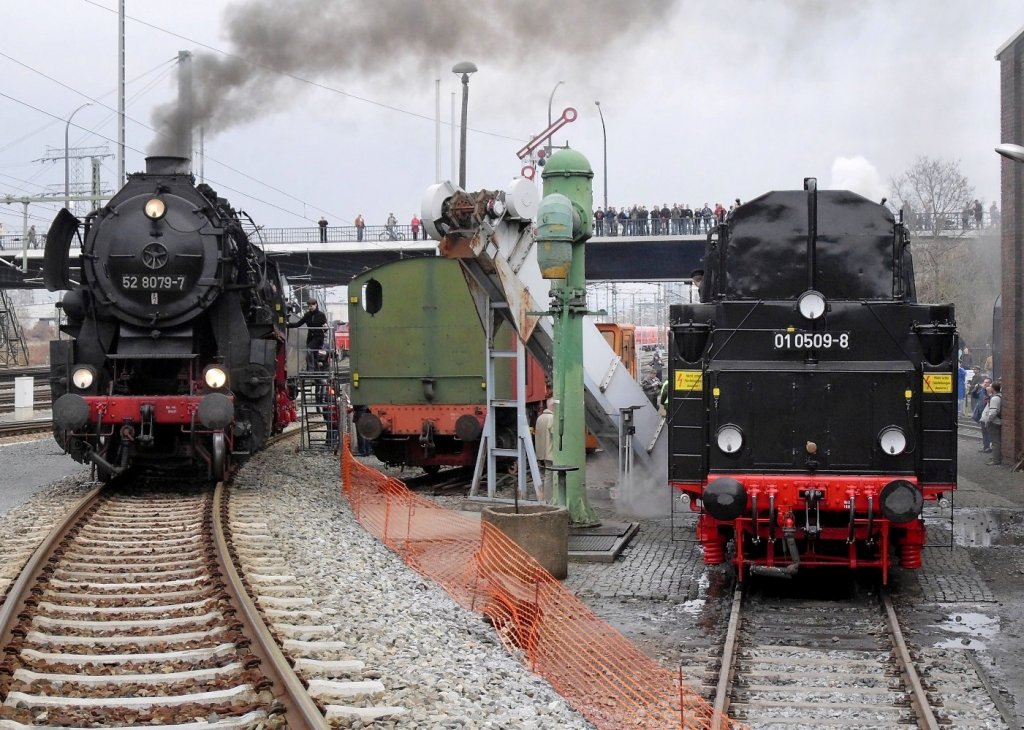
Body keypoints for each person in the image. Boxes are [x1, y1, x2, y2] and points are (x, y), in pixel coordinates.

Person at [288, 299, 329, 371]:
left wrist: (323, 329)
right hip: (310, 337)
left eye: (312, 306)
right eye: (309, 306)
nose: (310, 307)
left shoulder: (321, 315)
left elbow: (326, 327)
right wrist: (288, 325)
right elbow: (298, 324)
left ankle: (311, 370)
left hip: (318, 337)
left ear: (316, 304)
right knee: (314, 356)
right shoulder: (307, 315)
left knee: (309, 350)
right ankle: (317, 378)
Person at [533, 398, 555, 502]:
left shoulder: (540, 418)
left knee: (548, 475)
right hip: (552, 453)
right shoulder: (552, 418)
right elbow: (556, 435)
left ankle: (547, 498)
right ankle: (551, 499)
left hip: (543, 452)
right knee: (553, 477)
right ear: (553, 406)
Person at [981, 382, 1003, 465]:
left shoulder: (994, 399)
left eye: (990, 386)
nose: (989, 387)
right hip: (998, 421)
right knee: (997, 441)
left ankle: (996, 460)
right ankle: (996, 457)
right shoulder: (1000, 396)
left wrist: (988, 420)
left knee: (995, 441)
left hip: (995, 422)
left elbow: (993, 411)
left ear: (993, 389)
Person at [972, 376, 993, 452]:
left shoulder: (990, 392)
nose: (985, 384)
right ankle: (985, 446)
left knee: (988, 431)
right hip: (981, 414)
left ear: (990, 384)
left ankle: (989, 447)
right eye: (984, 382)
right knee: (984, 431)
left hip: (988, 414)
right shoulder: (982, 391)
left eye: (987, 382)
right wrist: (976, 388)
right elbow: (974, 395)